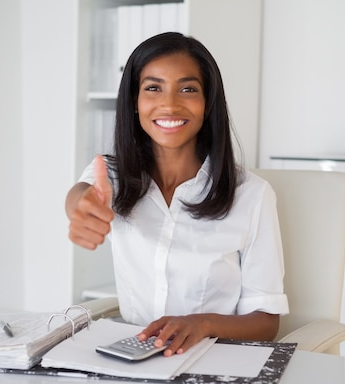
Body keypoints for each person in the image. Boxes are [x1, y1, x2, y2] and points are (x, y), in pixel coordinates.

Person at [66, 32, 289, 357]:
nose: (169, 104)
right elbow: (81, 195)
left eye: (188, 89)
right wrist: (80, 208)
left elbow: (266, 323)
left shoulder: (252, 195)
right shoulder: (112, 177)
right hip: (133, 358)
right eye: (153, 88)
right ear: (134, 101)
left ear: (208, 102)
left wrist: (203, 324)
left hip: (214, 361)